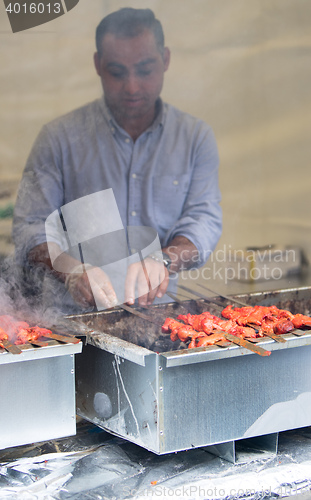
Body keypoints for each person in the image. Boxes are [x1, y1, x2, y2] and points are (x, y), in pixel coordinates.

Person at [12, 7, 222, 313]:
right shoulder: (59, 138)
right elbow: (30, 227)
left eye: (145, 69)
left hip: (160, 320)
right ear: (98, 65)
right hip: (74, 321)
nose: (132, 87)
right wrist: (71, 271)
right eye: (117, 72)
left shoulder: (194, 138)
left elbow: (204, 219)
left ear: (165, 59)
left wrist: (164, 259)